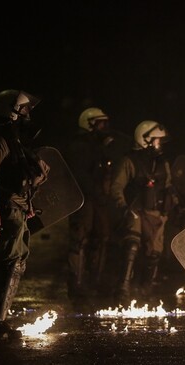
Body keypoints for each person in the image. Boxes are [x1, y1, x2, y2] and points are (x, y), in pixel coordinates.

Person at [0, 89, 49, 339]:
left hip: (18, 208)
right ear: (11, 112)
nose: (27, 114)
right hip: (7, 209)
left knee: (17, 261)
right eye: (24, 109)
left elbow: (22, 177)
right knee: (9, 262)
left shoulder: (14, 140)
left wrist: (28, 206)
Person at [64, 107, 133, 303]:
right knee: (79, 240)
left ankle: (94, 281)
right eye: (100, 123)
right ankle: (76, 284)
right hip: (83, 199)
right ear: (89, 123)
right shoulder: (79, 146)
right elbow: (81, 174)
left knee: (101, 238)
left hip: (99, 199)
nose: (105, 127)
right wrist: (95, 192)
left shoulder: (100, 144)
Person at [109, 120, 178, 304]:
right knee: (131, 244)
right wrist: (123, 208)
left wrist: (176, 204)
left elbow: (169, 186)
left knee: (154, 252)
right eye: (157, 140)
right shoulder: (129, 161)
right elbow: (116, 187)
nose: (160, 144)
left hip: (156, 213)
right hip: (136, 210)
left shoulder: (163, 163)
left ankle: (145, 288)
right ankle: (123, 286)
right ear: (145, 139)